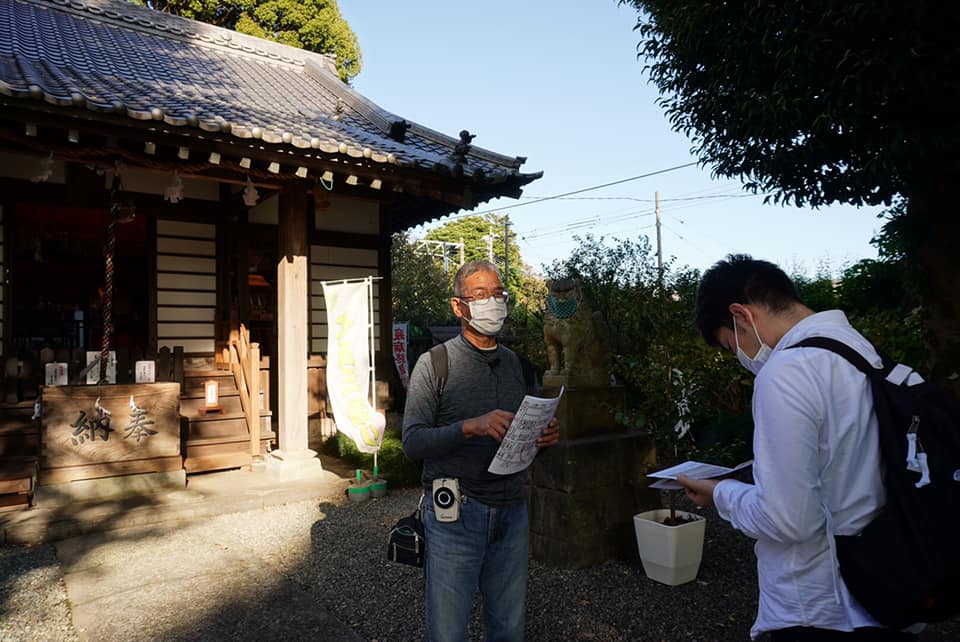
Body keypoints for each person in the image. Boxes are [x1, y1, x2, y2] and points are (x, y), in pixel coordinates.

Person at [679, 254, 919, 642]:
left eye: (730, 345)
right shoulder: (864, 353)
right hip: (891, 586)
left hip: (823, 607)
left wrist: (720, 492)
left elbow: (787, 520)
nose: (739, 357)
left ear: (741, 315)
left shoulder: (786, 372)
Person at [402, 260, 560, 642]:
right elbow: (413, 442)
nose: (493, 302)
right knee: (448, 631)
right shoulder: (435, 364)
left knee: (509, 628)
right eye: (480, 294)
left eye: (498, 294)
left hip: (512, 510)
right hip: (456, 514)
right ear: (459, 306)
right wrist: (470, 426)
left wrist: (543, 438)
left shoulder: (520, 367)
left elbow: (523, 441)